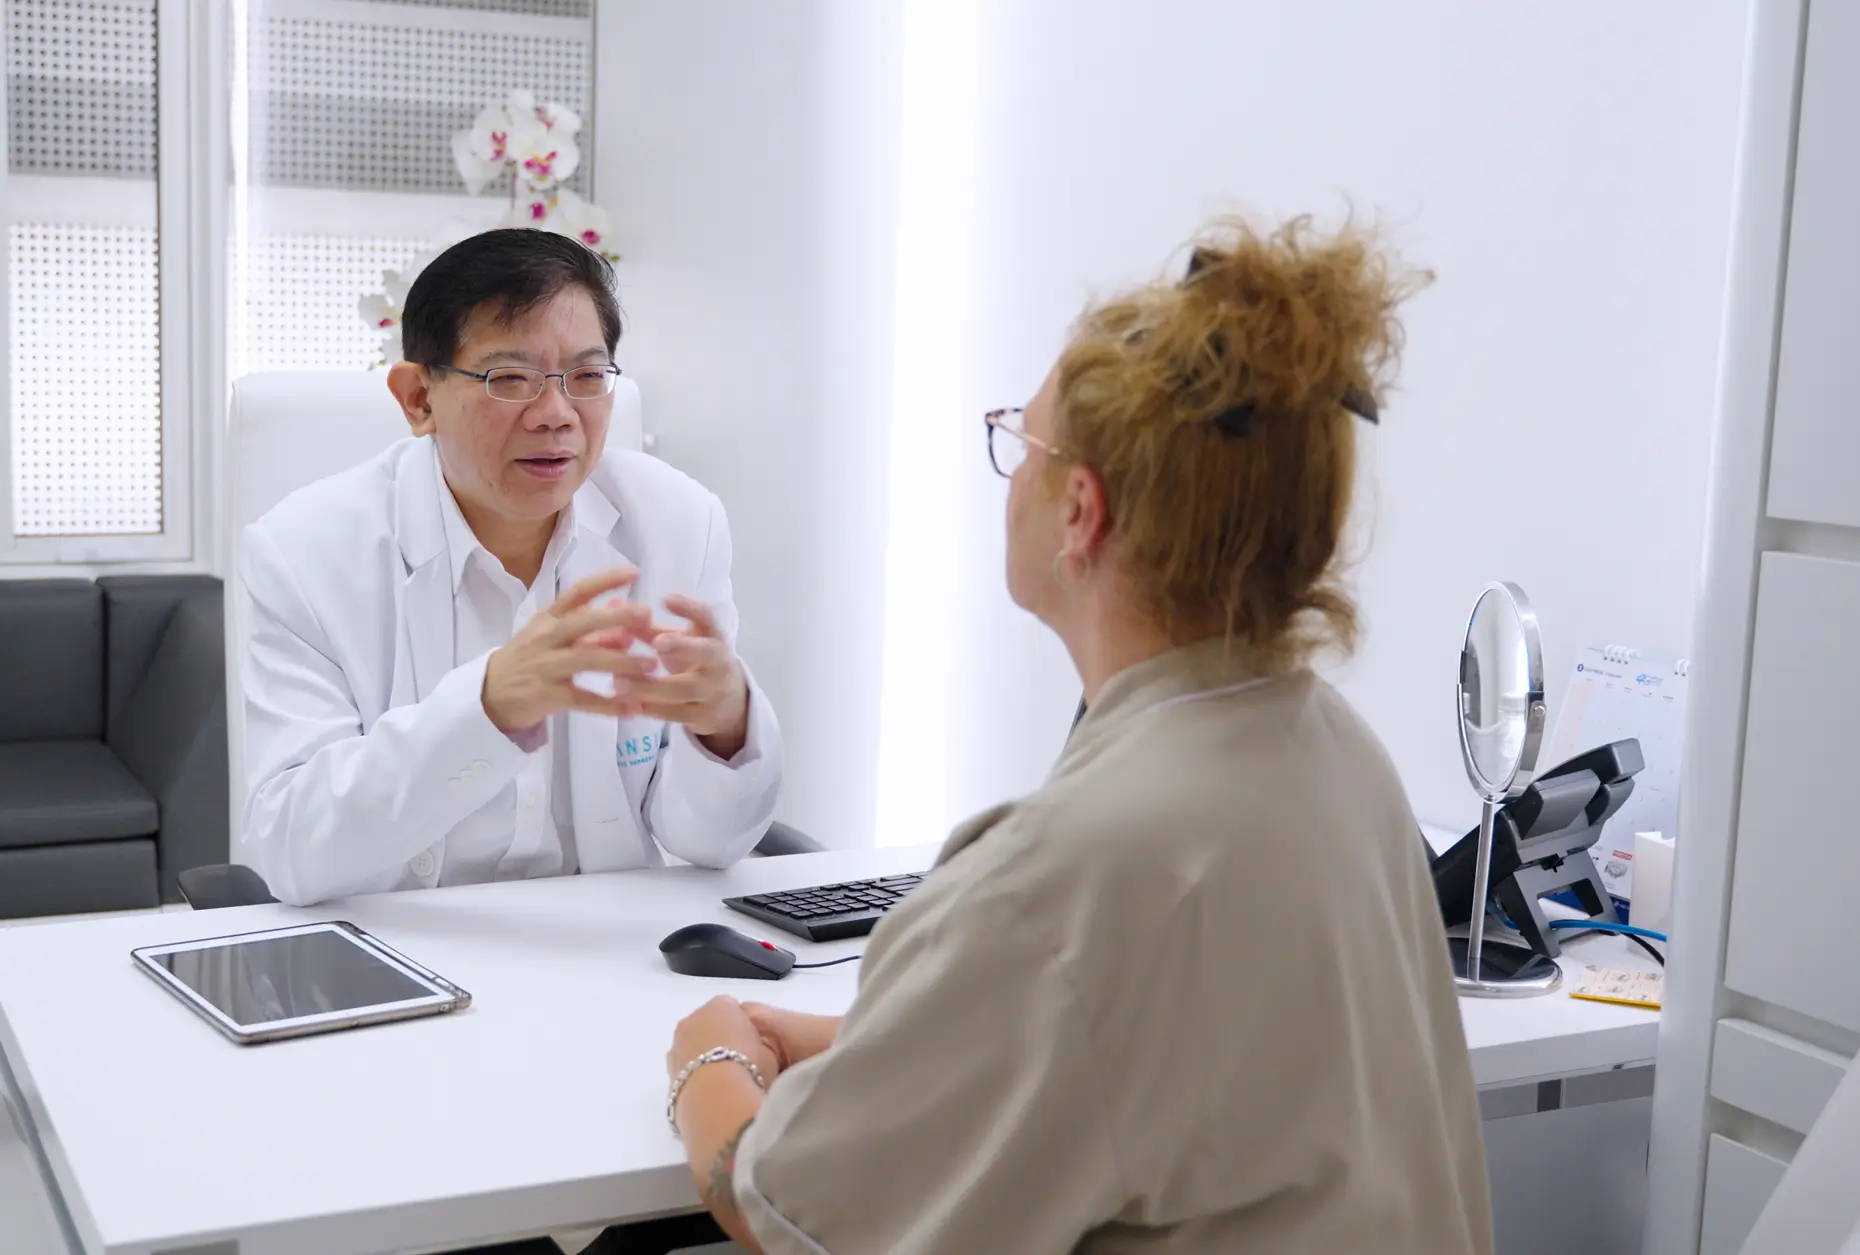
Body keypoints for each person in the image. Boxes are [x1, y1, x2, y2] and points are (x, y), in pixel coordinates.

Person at [664, 216, 1492, 1253]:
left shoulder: (1059, 875)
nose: (1010, 473)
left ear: (1081, 513)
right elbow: (1189, 1053)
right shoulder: (1336, 756)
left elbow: (783, 1207)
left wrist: (709, 1058)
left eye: (1023, 442)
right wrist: (884, 1046)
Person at [239, 229, 781, 907]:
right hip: (402, 950)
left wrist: (726, 729)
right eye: (510, 379)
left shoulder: (678, 522)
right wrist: (489, 706)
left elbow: (709, 842)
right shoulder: (303, 552)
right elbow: (294, 850)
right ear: (418, 398)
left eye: (586, 377)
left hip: (609, 950)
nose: (556, 415)